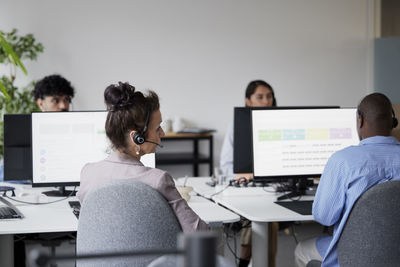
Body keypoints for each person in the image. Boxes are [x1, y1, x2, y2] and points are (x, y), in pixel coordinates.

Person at [77, 82, 208, 232]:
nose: (163, 133)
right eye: (158, 127)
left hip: (100, 256)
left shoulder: (88, 173)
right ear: (136, 138)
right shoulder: (158, 180)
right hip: (156, 256)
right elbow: (198, 232)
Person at [294, 92, 400, 267]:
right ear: (392, 122)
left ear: (360, 120)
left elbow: (324, 217)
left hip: (352, 257)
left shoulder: (342, 161)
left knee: (301, 250)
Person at [219, 80, 277, 267]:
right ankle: (249, 261)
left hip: (277, 187)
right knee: (264, 218)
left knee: (267, 218)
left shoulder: (280, 123)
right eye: (259, 97)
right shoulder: (236, 126)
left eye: (269, 96)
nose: (266, 101)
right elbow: (227, 165)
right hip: (248, 187)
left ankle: (245, 261)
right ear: (248, 101)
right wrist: (249, 174)